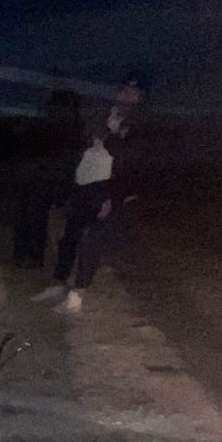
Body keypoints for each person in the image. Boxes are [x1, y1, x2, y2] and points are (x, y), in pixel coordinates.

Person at [34, 77, 145, 313]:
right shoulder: (104, 116)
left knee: (91, 242)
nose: (125, 96)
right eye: (124, 91)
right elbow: (84, 145)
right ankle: (59, 283)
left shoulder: (137, 127)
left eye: (132, 94)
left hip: (106, 191)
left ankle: (77, 295)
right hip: (83, 185)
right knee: (69, 237)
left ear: (139, 100)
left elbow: (127, 161)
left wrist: (112, 197)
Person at [11, 89, 83, 268]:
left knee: (32, 217)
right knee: (32, 217)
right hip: (38, 177)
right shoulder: (61, 126)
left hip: (42, 178)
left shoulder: (63, 126)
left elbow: (65, 160)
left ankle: (28, 256)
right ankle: (26, 255)